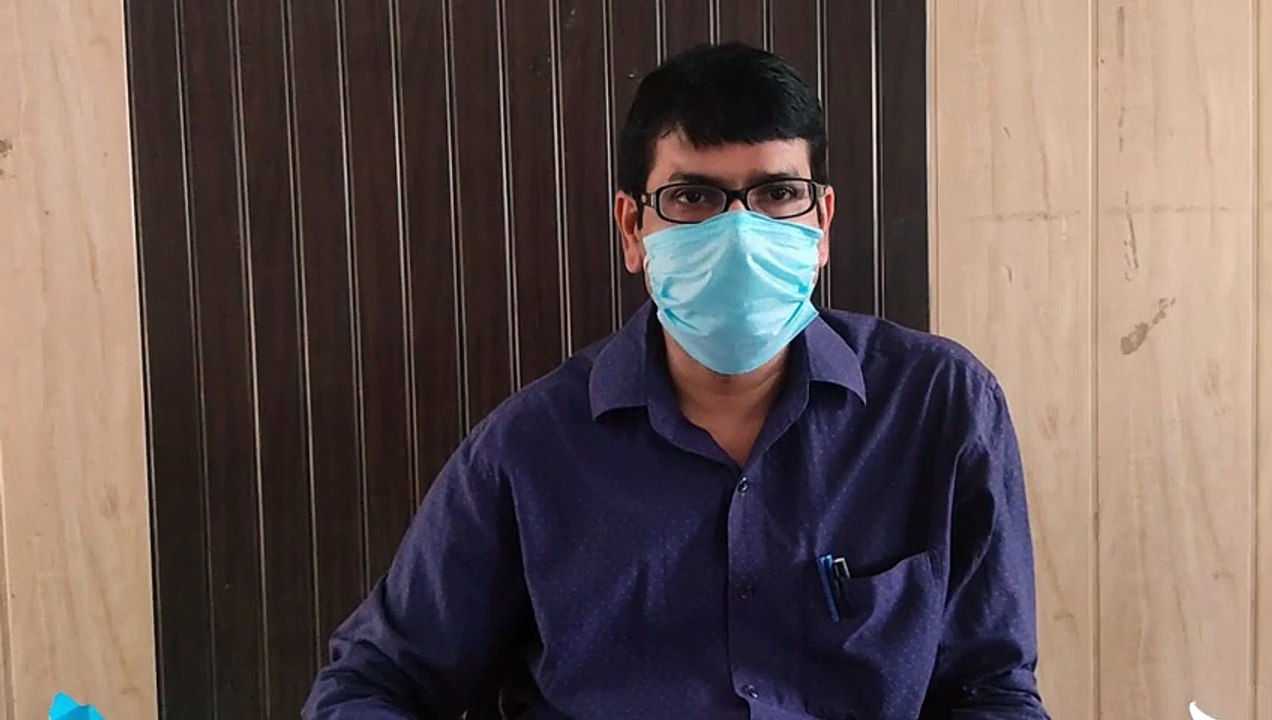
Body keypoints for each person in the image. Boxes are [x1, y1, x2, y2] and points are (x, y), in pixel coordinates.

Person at [304, 42, 1050, 719]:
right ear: (633, 229)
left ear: (821, 223)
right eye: (694, 197)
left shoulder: (939, 406)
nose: (740, 233)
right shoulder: (528, 450)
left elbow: (990, 690)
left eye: (776, 194)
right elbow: (372, 684)